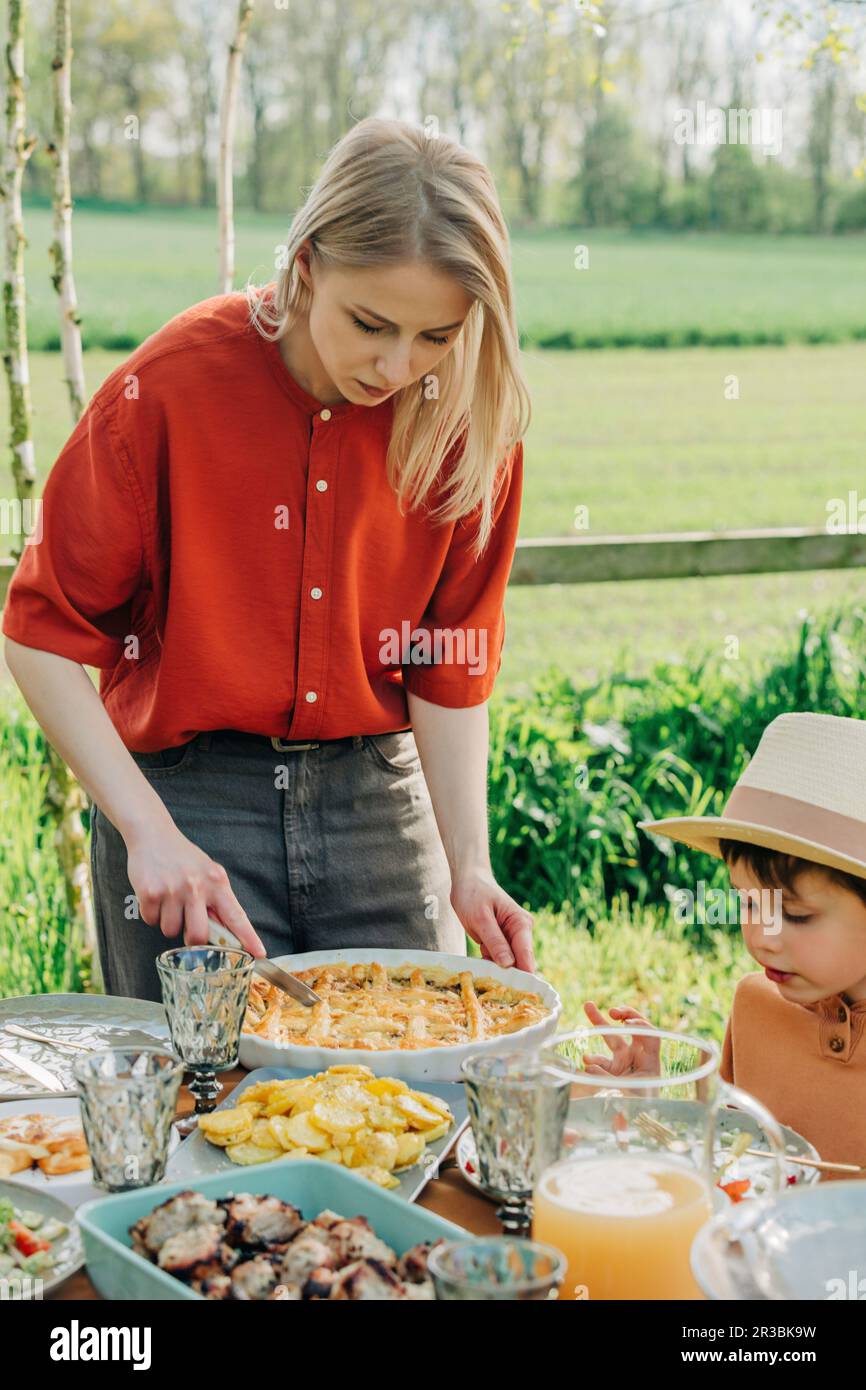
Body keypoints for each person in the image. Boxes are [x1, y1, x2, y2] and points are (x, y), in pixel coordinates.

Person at [2, 116, 535, 1002]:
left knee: (411, 1104)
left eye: (436, 335)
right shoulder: (167, 391)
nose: (398, 365)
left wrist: (468, 867)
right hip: (189, 802)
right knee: (197, 1112)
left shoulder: (468, 420)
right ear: (307, 263)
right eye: (371, 323)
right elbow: (40, 634)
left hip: (380, 809)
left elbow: (448, 667)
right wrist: (147, 831)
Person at [582, 712, 866, 1171]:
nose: (761, 937)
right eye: (748, 904)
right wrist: (645, 1109)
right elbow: (736, 1166)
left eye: (795, 913)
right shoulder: (757, 1006)